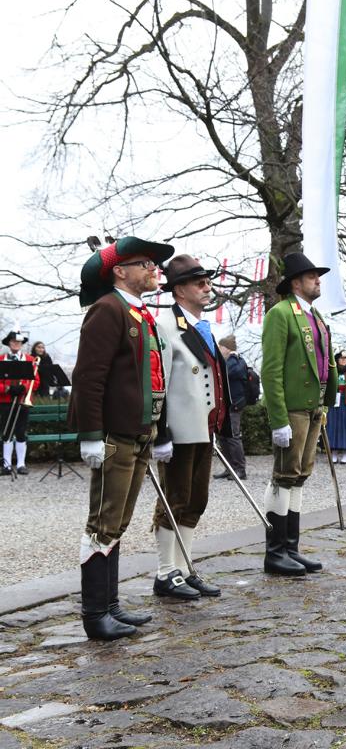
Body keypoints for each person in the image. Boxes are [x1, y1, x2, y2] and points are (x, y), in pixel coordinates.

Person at [71, 236, 174, 640]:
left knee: (118, 523)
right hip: (114, 434)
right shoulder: (108, 309)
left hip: (138, 433)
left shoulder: (138, 312)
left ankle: (111, 605)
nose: (154, 269)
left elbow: (152, 378)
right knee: (102, 522)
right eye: (145, 263)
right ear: (120, 270)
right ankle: (96, 614)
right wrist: (91, 435)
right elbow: (89, 377)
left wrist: (158, 430)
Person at [151, 255, 232, 601]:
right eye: (199, 282)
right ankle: (164, 572)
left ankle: (184, 568)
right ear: (179, 289)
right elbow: (159, 380)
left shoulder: (202, 325)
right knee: (174, 499)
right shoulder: (164, 325)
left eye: (207, 281)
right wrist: (161, 432)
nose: (207, 287)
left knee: (196, 499)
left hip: (203, 426)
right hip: (179, 428)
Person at [260, 252, 338, 576]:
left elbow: (326, 361)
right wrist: (277, 419)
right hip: (291, 409)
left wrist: (327, 402)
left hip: (312, 408)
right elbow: (271, 370)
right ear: (296, 283)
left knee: (300, 476)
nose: (318, 280)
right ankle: (275, 551)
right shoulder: (281, 313)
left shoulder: (315, 315)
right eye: (311, 276)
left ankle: (290, 547)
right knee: (284, 475)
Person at [0, 331, 38, 476]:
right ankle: (7, 465)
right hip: (5, 401)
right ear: (9, 343)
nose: (16, 344)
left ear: (21, 344)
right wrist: (8, 389)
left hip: (23, 401)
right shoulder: (1, 359)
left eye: (18, 342)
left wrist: (24, 388)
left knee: (21, 432)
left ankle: (21, 464)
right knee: (7, 433)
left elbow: (36, 381)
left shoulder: (29, 359)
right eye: (13, 341)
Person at [215, 335, 249, 480]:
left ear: (227, 348)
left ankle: (240, 469)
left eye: (220, 347)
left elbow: (228, 373)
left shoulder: (236, 361)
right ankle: (230, 468)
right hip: (226, 406)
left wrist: (231, 357)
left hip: (235, 405)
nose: (218, 349)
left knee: (233, 437)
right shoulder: (229, 361)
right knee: (223, 437)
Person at [327, 351, 346, 464]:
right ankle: (333, 453)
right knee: (333, 427)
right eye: (341, 358)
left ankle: (345, 454)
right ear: (337, 360)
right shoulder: (332, 372)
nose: (344, 360)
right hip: (334, 404)